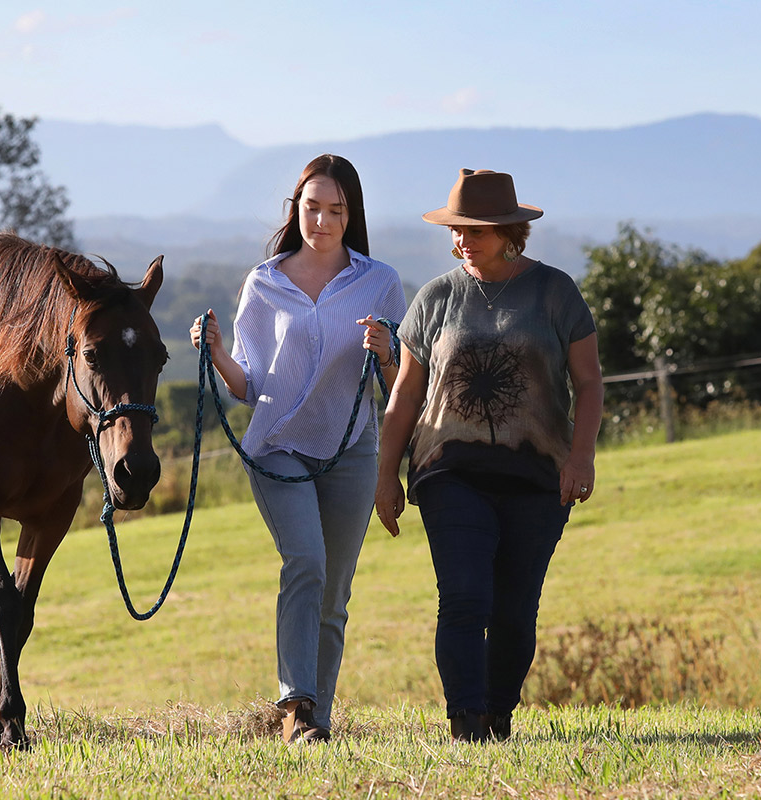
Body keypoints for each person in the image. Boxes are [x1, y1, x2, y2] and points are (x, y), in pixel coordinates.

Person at [374, 169, 603, 742]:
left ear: (509, 232)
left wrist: (581, 458)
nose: (463, 240)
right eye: (456, 229)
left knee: (515, 608)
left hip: (538, 473)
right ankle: (466, 721)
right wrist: (385, 474)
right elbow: (404, 394)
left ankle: (498, 714)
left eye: (476, 229)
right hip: (449, 469)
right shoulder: (435, 298)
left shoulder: (555, 293)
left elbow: (590, 383)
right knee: (464, 595)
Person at [189, 154, 404, 744]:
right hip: (278, 445)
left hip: (351, 448)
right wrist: (214, 352)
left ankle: (317, 724)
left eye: (336, 210)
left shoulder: (379, 281)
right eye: (313, 207)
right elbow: (248, 385)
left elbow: (399, 386)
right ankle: (296, 703)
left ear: (351, 214)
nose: (323, 221)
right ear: (297, 208)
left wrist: (387, 351)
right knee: (305, 560)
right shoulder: (266, 282)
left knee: (335, 592)